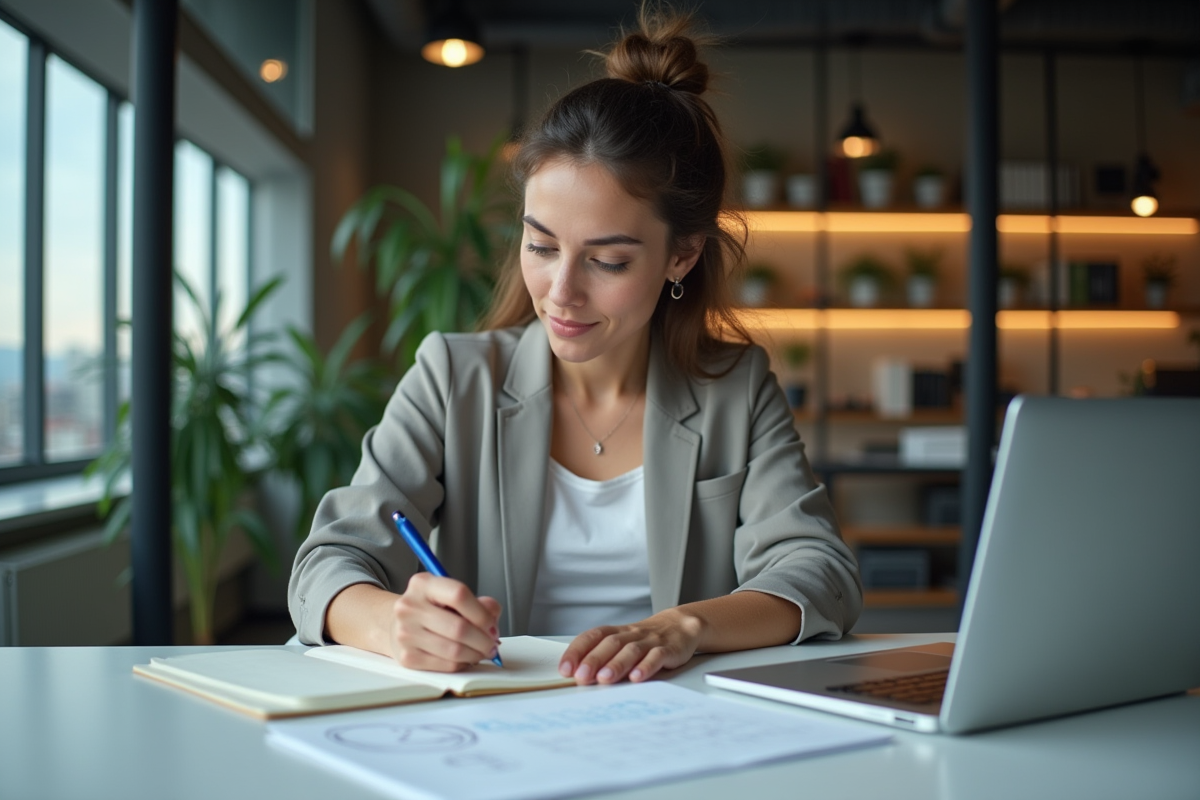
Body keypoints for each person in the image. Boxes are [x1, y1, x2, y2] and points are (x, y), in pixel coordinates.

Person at [288, 8, 861, 686]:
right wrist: (392, 623)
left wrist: (684, 626)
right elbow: (327, 562)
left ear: (681, 256)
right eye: (540, 245)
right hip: (497, 723)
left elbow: (819, 571)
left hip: (676, 721)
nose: (561, 292)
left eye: (608, 262)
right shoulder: (453, 376)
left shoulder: (734, 386)